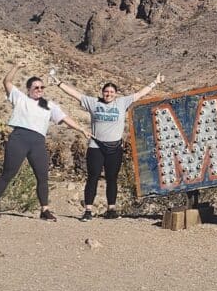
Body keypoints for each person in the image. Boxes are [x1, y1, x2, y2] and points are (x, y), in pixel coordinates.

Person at [0, 62, 91, 221]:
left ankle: (45, 210)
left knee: (42, 176)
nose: (40, 90)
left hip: (37, 142)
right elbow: (7, 82)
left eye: (42, 87)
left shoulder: (49, 105)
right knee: (8, 173)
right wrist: (16, 67)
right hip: (19, 138)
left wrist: (81, 129)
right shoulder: (20, 98)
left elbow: (65, 118)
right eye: (36, 87)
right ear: (28, 89)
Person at [54, 72, 164, 220]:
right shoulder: (94, 103)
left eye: (112, 92)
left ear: (116, 94)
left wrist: (155, 83)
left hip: (115, 147)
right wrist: (59, 83)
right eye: (106, 91)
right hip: (96, 146)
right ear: (102, 93)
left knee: (112, 178)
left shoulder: (122, 103)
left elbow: (139, 94)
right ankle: (88, 210)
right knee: (92, 177)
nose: (108, 94)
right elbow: (76, 94)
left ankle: (111, 209)